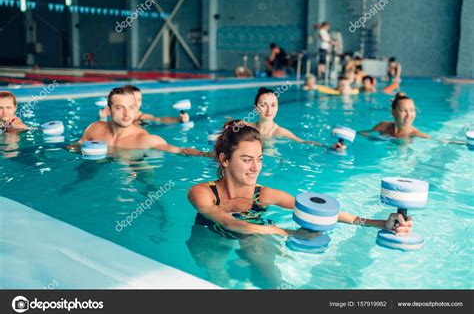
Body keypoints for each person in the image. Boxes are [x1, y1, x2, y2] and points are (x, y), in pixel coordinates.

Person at [188, 121, 412, 238]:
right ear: (225, 160)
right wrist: (289, 233)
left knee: (268, 272)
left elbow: (318, 210)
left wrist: (381, 223)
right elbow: (230, 223)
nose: (256, 168)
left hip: (255, 234)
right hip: (211, 237)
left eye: (259, 159)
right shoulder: (202, 193)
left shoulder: (264, 194)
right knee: (214, 272)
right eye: (247, 160)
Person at [66, 85, 210, 156]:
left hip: (136, 168)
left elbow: (181, 150)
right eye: (120, 107)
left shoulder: (145, 139)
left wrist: (208, 155)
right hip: (98, 169)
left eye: (131, 107)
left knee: (147, 189)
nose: (127, 113)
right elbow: (75, 146)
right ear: (109, 111)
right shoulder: (94, 129)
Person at [249, 87, 344, 149]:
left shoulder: (279, 132)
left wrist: (330, 147)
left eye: (273, 105)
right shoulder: (248, 127)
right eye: (264, 105)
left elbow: (303, 142)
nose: (269, 110)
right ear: (256, 108)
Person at [99, 85, 188, 125]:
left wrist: (178, 119)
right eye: (133, 100)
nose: (137, 103)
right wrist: (102, 118)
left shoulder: (142, 117)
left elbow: (159, 119)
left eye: (139, 100)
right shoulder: (115, 114)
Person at [359, 92, 430, 139]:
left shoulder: (414, 134)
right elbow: (364, 134)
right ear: (393, 112)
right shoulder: (383, 126)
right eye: (403, 110)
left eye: (412, 110)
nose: (409, 115)